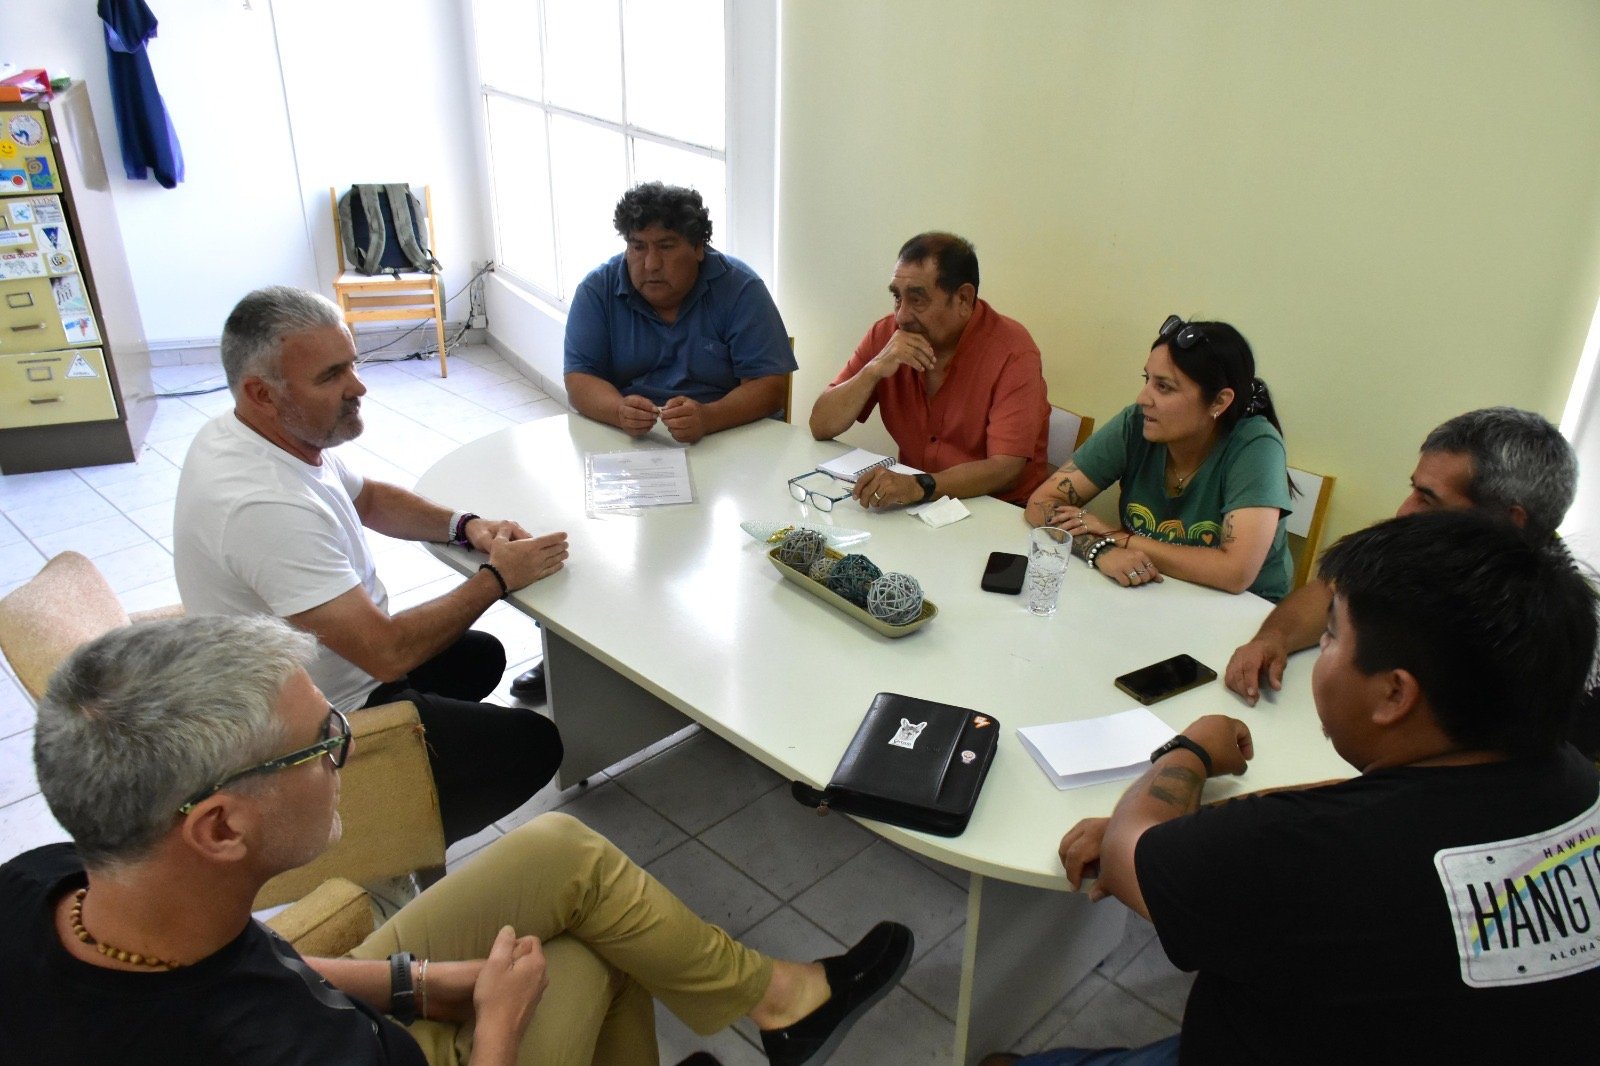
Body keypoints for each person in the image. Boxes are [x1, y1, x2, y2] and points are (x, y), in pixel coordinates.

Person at [8, 615, 914, 1065]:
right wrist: (498, 1022)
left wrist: (425, 982)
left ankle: (779, 999)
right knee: (585, 962)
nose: (345, 753)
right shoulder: (292, 1050)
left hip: (336, 1001)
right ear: (219, 826)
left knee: (562, 852)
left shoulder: (57, 882)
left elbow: (251, 962)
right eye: (322, 743)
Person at [995, 510, 1600, 1064]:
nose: (1323, 647)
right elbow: (1364, 809)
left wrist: (1191, 751)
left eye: (1332, 636)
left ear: (1394, 693)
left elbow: (1129, 855)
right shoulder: (1573, 776)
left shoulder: (1324, 850)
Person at [174, 286, 565, 845]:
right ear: (262, 393)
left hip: (319, 674)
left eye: (352, 364)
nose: (358, 386)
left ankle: (410, 785)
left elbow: (370, 499)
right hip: (311, 730)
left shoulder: (254, 433)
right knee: (537, 744)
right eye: (331, 376)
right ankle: (377, 835)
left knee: (482, 656)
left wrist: (466, 526)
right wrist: (499, 578)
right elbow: (387, 653)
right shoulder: (263, 505)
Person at [1225, 406, 1581, 705]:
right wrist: (1274, 639)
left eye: (1428, 499)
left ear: (1508, 521)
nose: (1404, 511)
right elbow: (1332, 590)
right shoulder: (1437, 549)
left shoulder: (1541, 638)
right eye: (1414, 490)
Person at [1025, 315, 1293, 600]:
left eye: (1164, 387)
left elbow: (1235, 572)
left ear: (1219, 401)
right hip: (1153, 592)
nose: (1143, 398)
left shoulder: (1256, 445)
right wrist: (1099, 549)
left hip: (1245, 610)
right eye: (1147, 379)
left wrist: (1118, 537)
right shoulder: (1137, 423)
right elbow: (1041, 504)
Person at [809, 232, 1051, 508]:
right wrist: (873, 369)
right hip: (921, 503)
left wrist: (920, 486)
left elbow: (1006, 469)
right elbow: (821, 426)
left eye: (917, 300)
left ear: (963, 299)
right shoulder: (887, 335)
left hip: (998, 509)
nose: (901, 315)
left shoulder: (1013, 352)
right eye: (897, 297)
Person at [564, 182, 796, 444]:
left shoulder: (741, 288)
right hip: (629, 438)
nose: (651, 264)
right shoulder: (597, 290)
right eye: (638, 247)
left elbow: (769, 387)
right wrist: (619, 411)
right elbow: (579, 379)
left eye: (666, 246)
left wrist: (709, 418)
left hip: (725, 433)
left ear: (698, 248)